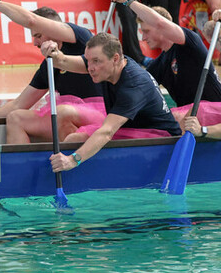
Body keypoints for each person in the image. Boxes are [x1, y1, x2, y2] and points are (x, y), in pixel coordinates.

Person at [0, 0, 99, 143]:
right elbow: (18, 104)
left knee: (63, 113)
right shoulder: (48, 65)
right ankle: (22, 166)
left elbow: (31, 20)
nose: (35, 43)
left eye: (38, 36)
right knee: (16, 117)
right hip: (65, 116)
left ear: (53, 29)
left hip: (97, 116)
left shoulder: (81, 38)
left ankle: (72, 162)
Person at [43, 33, 182, 173]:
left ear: (115, 58)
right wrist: (53, 52)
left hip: (161, 139)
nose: (90, 67)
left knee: (76, 139)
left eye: (96, 61)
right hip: (132, 129)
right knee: (74, 137)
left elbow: (107, 132)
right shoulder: (112, 65)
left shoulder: (133, 85)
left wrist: (72, 160)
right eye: (88, 60)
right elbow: (63, 61)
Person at [106, 0, 221, 107]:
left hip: (217, 115)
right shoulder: (159, 64)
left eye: (146, 31)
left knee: (177, 117)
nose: (143, 38)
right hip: (191, 121)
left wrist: (127, 0)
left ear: (162, 28)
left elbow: (159, 23)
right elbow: (137, 87)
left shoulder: (190, 41)